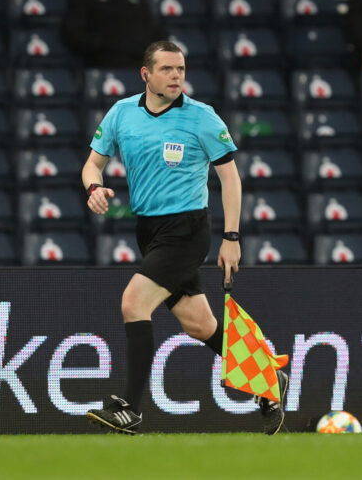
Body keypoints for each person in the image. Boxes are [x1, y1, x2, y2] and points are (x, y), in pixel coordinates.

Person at [81, 41, 289, 435]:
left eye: (181, 69)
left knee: (133, 303)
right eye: (167, 69)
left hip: (188, 229)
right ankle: (267, 378)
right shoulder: (122, 113)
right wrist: (94, 188)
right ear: (146, 74)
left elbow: (230, 177)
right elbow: (93, 162)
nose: (177, 76)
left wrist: (231, 235)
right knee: (198, 324)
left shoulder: (202, 118)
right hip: (149, 230)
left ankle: (130, 409)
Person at [61, 0, 167, 67]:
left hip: (137, 64)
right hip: (100, 63)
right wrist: (105, 44)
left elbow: (154, 33)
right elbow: (74, 34)